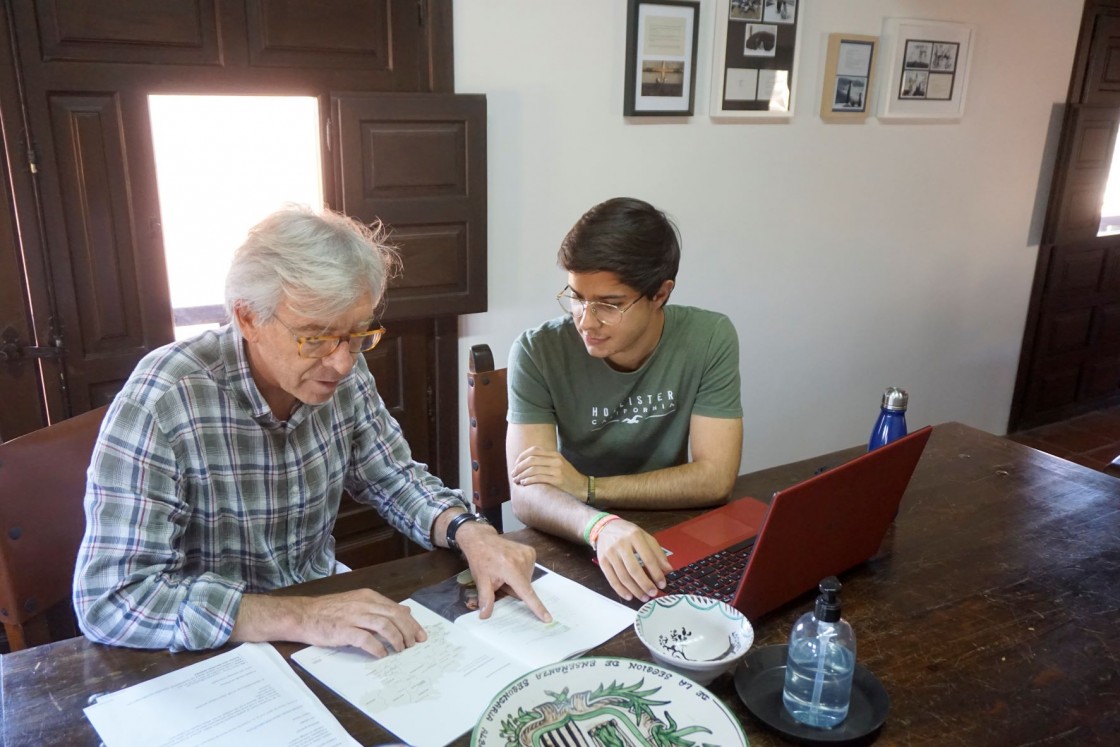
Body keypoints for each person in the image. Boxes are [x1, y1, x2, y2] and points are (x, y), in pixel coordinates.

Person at [73, 205, 550, 654]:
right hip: (215, 648)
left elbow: (393, 476)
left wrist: (470, 531)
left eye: (356, 334)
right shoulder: (165, 400)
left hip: (325, 613)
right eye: (315, 337)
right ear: (247, 318)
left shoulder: (343, 370)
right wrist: (302, 616)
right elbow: (111, 599)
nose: (341, 362)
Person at [506, 197, 743, 605]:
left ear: (660, 294)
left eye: (609, 305)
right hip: (578, 538)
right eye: (577, 296)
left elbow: (716, 479)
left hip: (672, 535)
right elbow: (527, 496)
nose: (586, 319)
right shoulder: (537, 350)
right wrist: (600, 526)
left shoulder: (710, 337)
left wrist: (588, 487)